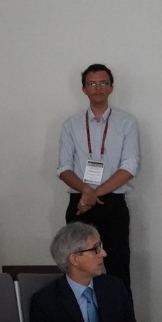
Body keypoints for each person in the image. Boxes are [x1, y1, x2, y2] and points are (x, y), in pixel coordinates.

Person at [57, 63, 140, 289]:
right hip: (79, 204)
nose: (98, 88)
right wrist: (86, 191)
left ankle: (119, 314)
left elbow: (129, 167)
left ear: (111, 88)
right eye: (92, 84)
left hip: (112, 204)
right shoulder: (71, 125)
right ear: (84, 89)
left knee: (118, 268)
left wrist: (94, 194)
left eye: (103, 83)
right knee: (78, 270)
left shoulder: (127, 123)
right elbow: (63, 168)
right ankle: (81, 312)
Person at [29, 222, 136, 322]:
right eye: (96, 249)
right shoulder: (45, 302)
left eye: (101, 246)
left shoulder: (115, 288)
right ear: (74, 259)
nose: (104, 253)